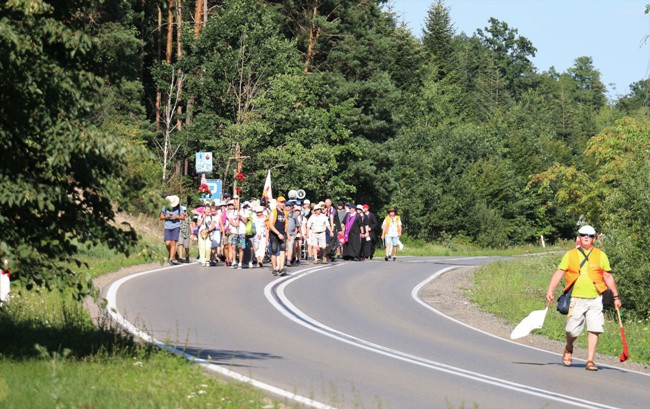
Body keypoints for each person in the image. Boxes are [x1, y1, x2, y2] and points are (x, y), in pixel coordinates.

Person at [545, 225, 622, 372]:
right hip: (576, 298)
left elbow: (608, 276)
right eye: (583, 235)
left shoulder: (601, 255)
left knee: (595, 328)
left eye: (590, 235)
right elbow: (559, 272)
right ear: (579, 237)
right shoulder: (570, 254)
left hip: (595, 297)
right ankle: (569, 347)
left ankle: (590, 360)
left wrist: (616, 297)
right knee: (572, 331)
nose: (586, 237)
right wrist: (550, 289)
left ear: (594, 239)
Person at [160, 195, 186, 265]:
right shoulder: (165, 207)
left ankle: (171, 258)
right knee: (167, 243)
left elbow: (183, 217)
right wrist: (166, 216)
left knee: (174, 242)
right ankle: (174, 254)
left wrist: (176, 217)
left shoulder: (179, 207)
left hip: (176, 226)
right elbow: (161, 217)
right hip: (167, 227)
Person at [267, 196, 288, 276]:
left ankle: (281, 268)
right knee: (274, 251)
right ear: (277, 203)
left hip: (282, 234)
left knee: (283, 250)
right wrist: (278, 234)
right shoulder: (274, 212)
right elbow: (271, 225)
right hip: (274, 234)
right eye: (281, 202)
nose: (283, 204)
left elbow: (285, 224)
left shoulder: (285, 213)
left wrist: (286, 234)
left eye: (284, 202)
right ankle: (274, 268)